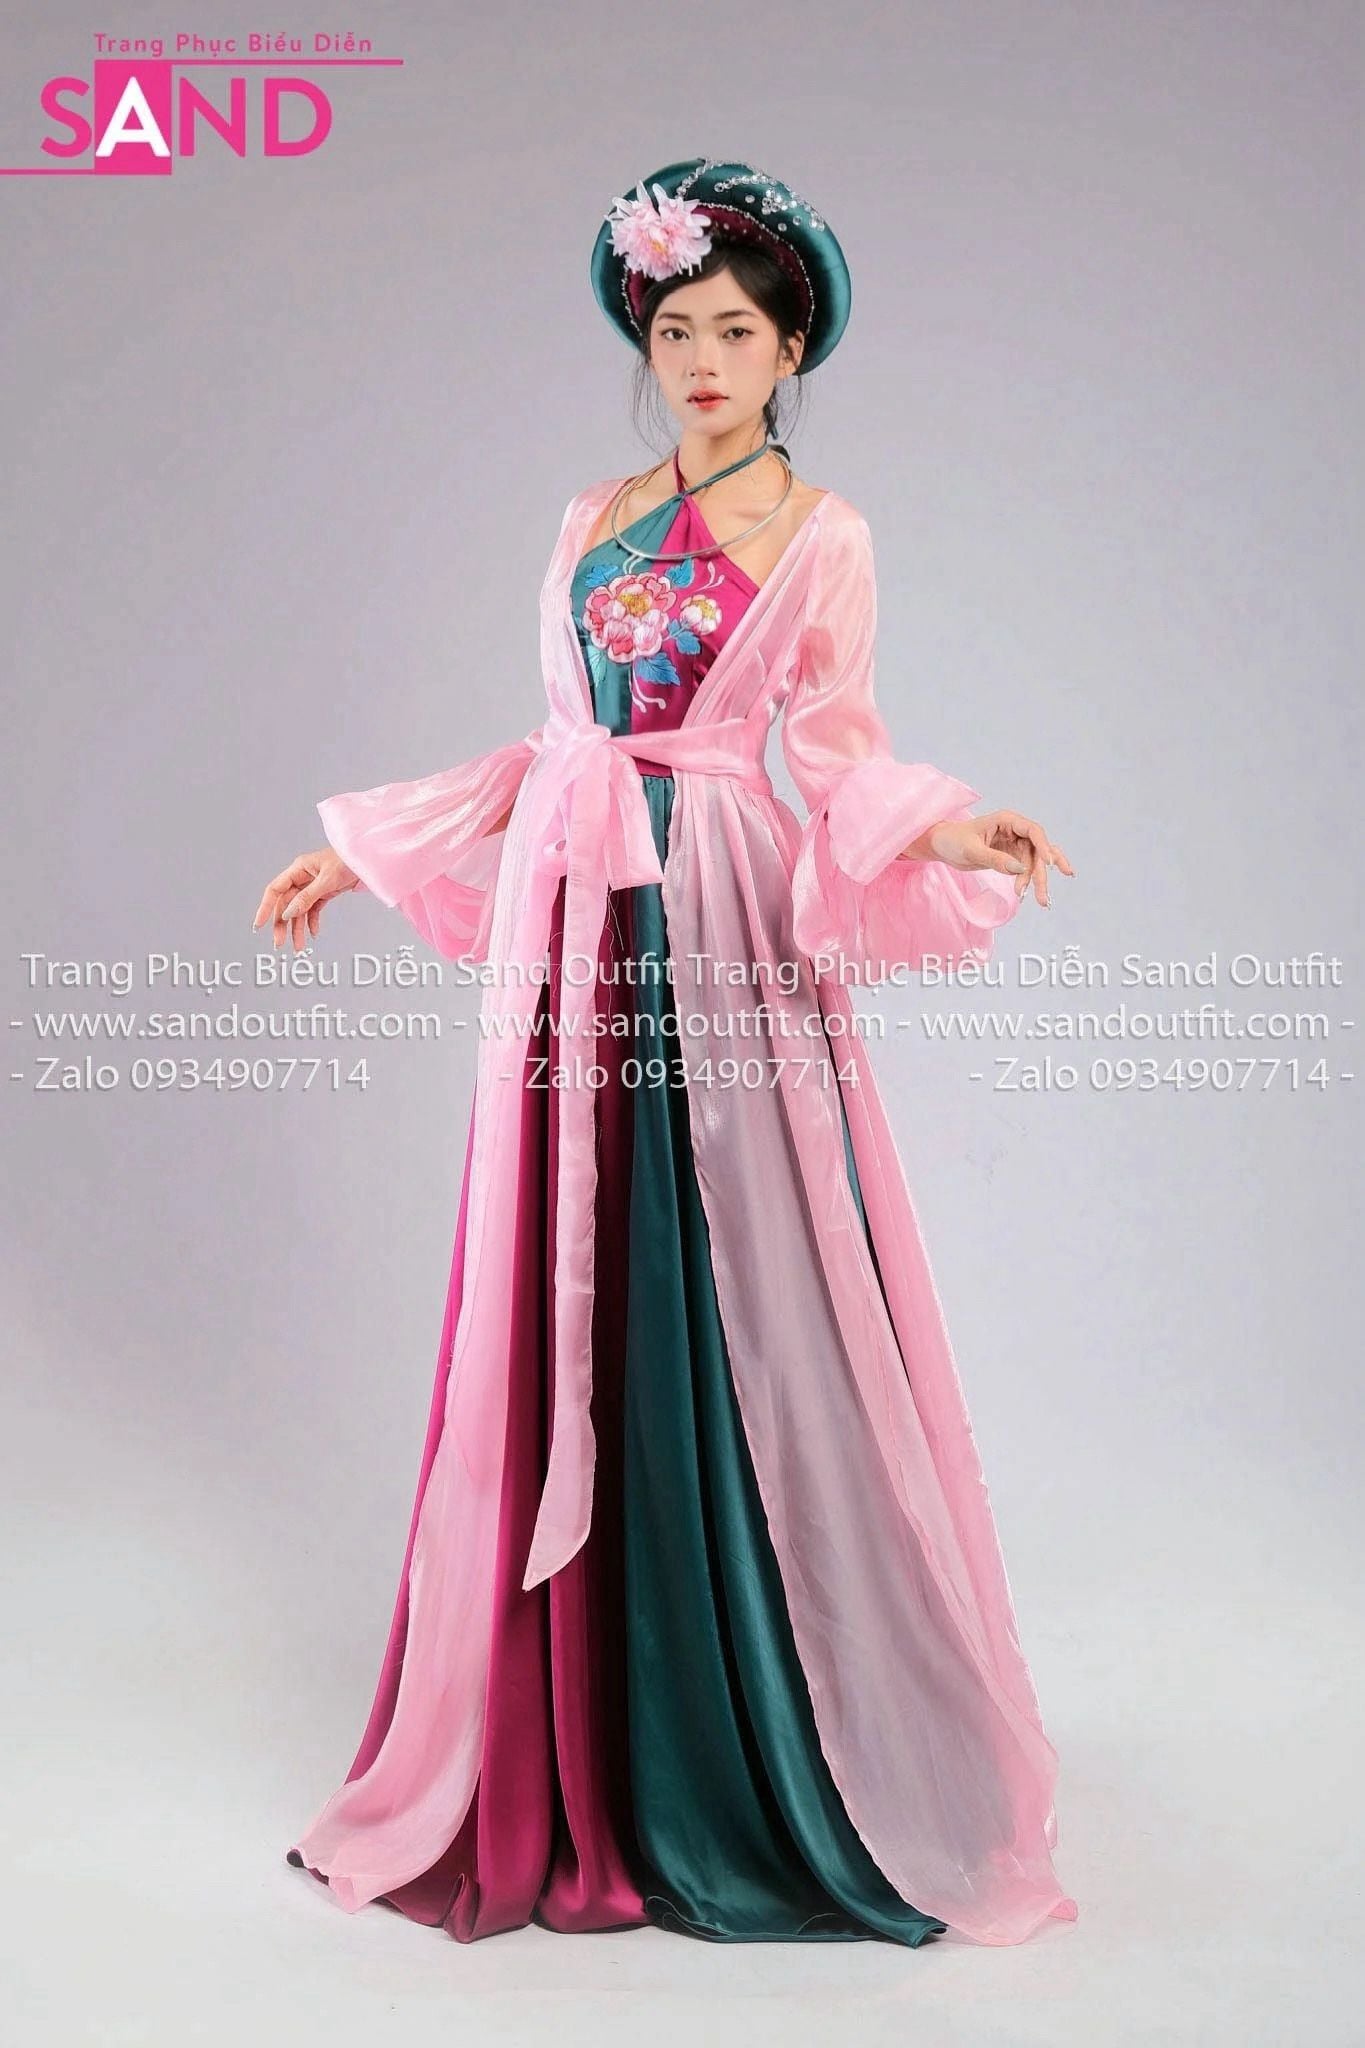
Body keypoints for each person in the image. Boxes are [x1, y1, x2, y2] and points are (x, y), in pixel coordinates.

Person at [255, 157, 1078, 1949]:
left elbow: (837, 755)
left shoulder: (821, 533)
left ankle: (750, 1730)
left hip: (711, 905)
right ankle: (556, 1740)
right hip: (573, 908)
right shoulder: (592, 514)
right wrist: (371, 849)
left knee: (730, 1268)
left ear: (790, 354)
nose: (701, 359)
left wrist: (951, 829)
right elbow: (553, 741)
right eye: (676, 329)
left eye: (735, 333)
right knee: (567, 1264)